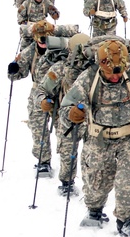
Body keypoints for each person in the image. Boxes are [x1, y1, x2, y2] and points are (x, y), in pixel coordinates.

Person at [59, 38, 130, 237]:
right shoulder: (87, 79)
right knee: (96, 182)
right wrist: (72, 113)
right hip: (98, 140)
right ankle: (94, 211)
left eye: (119, 72)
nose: (115, 77)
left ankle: (125, 220)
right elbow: (66, 108)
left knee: (127, 181)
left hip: (129, 140)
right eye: (110, 73)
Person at [8, 20, 79, 176]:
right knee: (38, 127)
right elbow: (18, 73)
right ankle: (43, 160)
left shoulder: (62, 49)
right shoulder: (29, 52)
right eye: (40, 38)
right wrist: (14, 70)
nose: (43, 41)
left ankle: (67, 171)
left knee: (64, 132)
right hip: (38, 93)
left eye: (46, 37)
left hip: (61, 95)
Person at [38, 33, 91, 196]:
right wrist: (44, 101)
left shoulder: (95, 70)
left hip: (92, 120)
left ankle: (92, 191)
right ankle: (67, 182)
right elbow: (42, 90)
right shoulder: (60, 69)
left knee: (92, 158)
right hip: (67, 119)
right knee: (68, 154)